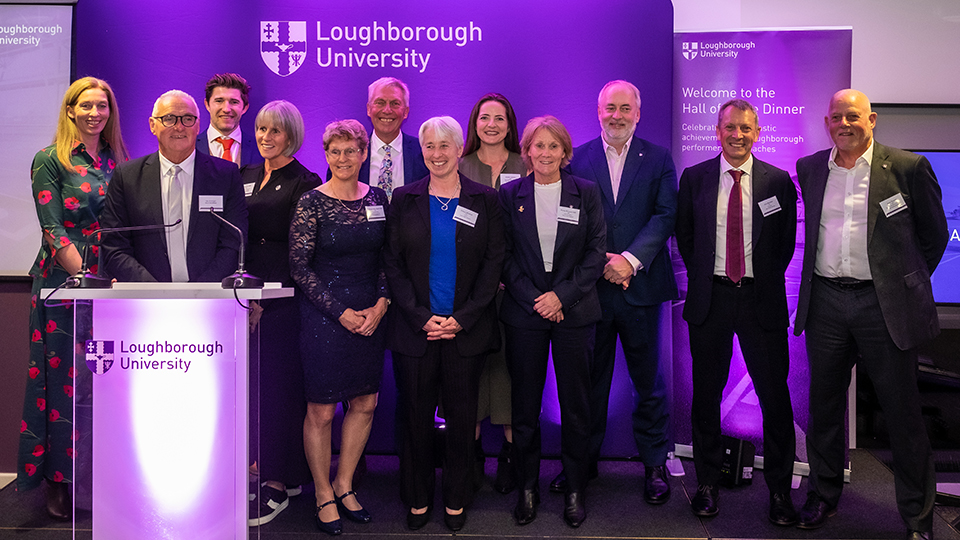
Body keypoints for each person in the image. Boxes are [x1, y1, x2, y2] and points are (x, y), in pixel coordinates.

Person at [793, 89, 947, 540]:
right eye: (837, 117)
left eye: (854, 116)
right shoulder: (810, 168)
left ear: (872, 119)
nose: (845, 123)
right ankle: (823, 496)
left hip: (882, 308)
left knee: (902, 413)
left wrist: (900, 283)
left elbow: (934, 237)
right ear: (827, 123)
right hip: (825, 303)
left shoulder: (907, 167)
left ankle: (918, 517)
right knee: (823, 407)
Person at [676, 99, 798, 524]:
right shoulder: (694, 179)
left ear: (758, 132)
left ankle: (780, 492)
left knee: (775, 399)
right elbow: (686, 238)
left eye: (746, 128)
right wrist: (711, 277)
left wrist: (755, 279)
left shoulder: (778, 181)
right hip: (710, 299)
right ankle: (707, 483)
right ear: (718, 131)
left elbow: (782, 245)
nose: (737, 135)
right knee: (706, 396)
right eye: (730, 127)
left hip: (759, 300)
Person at [383, 116, 504, 533]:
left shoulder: (486, 200)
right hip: (416, 330)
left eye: (444, 146)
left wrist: (461, 319)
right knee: (414, 418)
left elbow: (493, 265)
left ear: (458, 150)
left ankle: (456, 497)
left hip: (464, 331)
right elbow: (393, 265)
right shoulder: (403, 198)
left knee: (461, 420)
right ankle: (417, 498)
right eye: (429, 146)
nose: (436, 154)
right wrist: (422, 318)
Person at [562, 80, 679, 503]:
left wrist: (628, 260)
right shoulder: (578, 157)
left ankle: (653, 464)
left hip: (640, 288)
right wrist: (602, 264)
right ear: (599, 112)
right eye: (610, 107)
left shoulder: (659, 158)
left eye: (625, 108)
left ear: (638, 113)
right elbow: (570, 219)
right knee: (588, 383)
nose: (617, 115)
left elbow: (666, 216)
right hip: (590, 291)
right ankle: (582, 463)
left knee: (648, 383)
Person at [19, 76, 129, 520]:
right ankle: (59, 480)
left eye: (102, 105)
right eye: (85, 106)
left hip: (114, 285)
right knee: (63, 385)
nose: (94, 113)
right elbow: (53, 229)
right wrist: (85, 279)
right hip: (63, 287)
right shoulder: (49, 160)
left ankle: (100, 473)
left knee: (106, 384)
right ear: (70, 111)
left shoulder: (119, 160)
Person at [499, 116, 606, 528]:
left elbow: (597, 252)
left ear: (566, 152)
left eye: (553, 146)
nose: (545, 153)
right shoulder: (509, 195)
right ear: (526, 151)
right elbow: (503, 256)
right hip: (525, 314)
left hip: (575, 312)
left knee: (576, 407)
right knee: (524, 408)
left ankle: (576, 488)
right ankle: (528, 487)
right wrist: (538, 300)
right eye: (537, 146)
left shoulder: (587, 193)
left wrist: (560, 296)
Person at [290, 119, 390, 536]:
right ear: (326, 155)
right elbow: (299, 266)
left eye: (351, 151)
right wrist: (341, 313)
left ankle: (345, 485)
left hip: (371, 315)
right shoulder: (311, 202)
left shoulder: (380, 198)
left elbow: (389, 258)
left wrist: (381, 305)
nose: (343, 159)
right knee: (322, 409)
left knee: (365, 403)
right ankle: (322, 492)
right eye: (335, 151)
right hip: (324, 318)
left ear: (364, 154)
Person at [241, 100, 318, 526]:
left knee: (277, 389)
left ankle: (277, 481)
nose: (265, 137)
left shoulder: (304, 181)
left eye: (275, 131)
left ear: (291, 135)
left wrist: (263, 299)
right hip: (241, 295)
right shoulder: (245, 176)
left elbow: (300, 250)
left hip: (281, 299)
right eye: (260, 129)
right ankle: (265, 468)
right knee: (251, 388)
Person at [100, 90, 247, 283]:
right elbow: (114, 246)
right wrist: (154, 291)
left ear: (198, 125)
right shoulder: (127, 176)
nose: (179, 127)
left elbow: (234, 244)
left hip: (211, 300)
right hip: (145, 301)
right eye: (169, 119)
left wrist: (199, 293)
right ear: (153, 125)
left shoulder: (226, 175)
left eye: (187, 119)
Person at [456, 93, 526, 493]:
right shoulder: (460, 165)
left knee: (511, 372)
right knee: (469, 374)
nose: (492, 125)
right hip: (468, 294)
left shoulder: (526, 163)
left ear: (510, 124)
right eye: (485, 118)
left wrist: (509, 276)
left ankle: (511, 458)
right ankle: (473, 455)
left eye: (500, 118)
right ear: (475, 123)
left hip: (516, 292)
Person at [331, 77, 428, 198]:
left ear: (406, 112)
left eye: (395, 104)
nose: (387, 110)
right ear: (369, 109)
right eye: (380, 103)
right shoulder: (346, 156)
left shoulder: (423, 153)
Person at [196, 73, 262, 167]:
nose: (226, 109)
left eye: (234, 102)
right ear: (207, 105)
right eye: (219, 101)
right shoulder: (190, 148)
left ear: (245, 107)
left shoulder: (260, 149)